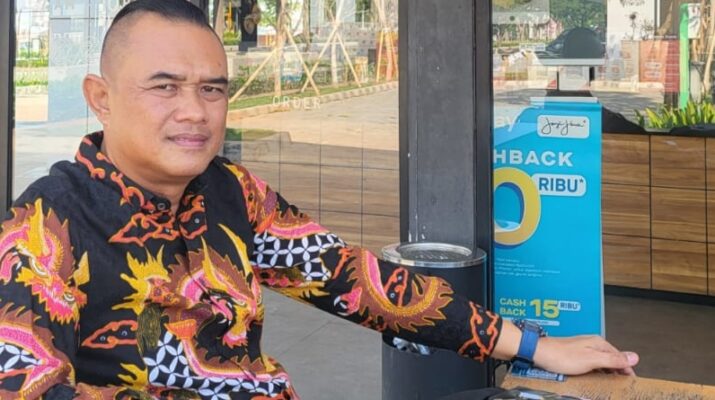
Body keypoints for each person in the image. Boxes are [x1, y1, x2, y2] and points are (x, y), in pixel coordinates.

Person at [0, 1, 638, 399]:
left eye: (213, 89)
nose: (195, 111)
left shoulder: (230, 191)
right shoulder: (43, 226)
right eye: (164, 87)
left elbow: (352, 279)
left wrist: (532, 346)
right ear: (101, 97)